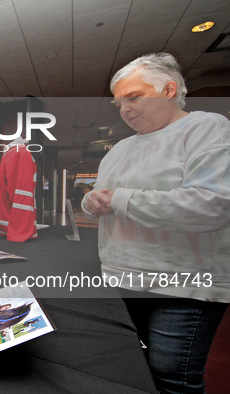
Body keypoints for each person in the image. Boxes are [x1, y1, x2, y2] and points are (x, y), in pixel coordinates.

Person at [82, 52, 230, 394]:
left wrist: (120, 198)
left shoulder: (207, 128)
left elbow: (212, 204)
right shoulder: (119, 148)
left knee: (170, 375)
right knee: (139, 366)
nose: (125, 109)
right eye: (119, 103)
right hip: (127, 276)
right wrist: (91, 202)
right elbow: (98, 195)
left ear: (168, 89)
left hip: (182, 284)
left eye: (133, 97)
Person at [0, 136, 38, 242]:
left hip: (5, 221)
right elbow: (23, 189)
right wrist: (21, 229)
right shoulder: (21, 153)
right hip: (17, 228)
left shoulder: (8, 154)